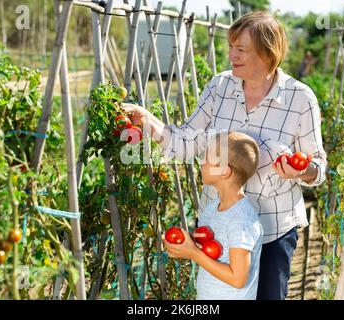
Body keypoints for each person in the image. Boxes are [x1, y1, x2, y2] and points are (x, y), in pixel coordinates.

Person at [123, 11, 327, 300]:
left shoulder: (299, 99)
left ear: (268, 53)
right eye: (230, 47)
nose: (231, 55)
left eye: (240, 49)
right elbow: (188, 141)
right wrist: (148, 121)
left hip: (272, 231)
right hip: (220, 229)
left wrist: (300, 171)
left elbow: (317, 167)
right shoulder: (220, 87)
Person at [163, 132, 263, 300]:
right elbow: (212, 252)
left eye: (206, 158)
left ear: (224, 171)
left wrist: (195, 254)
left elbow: (238, 279)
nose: (201, 163)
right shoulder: (211, 209)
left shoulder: (242, 219)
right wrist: (189, 244)